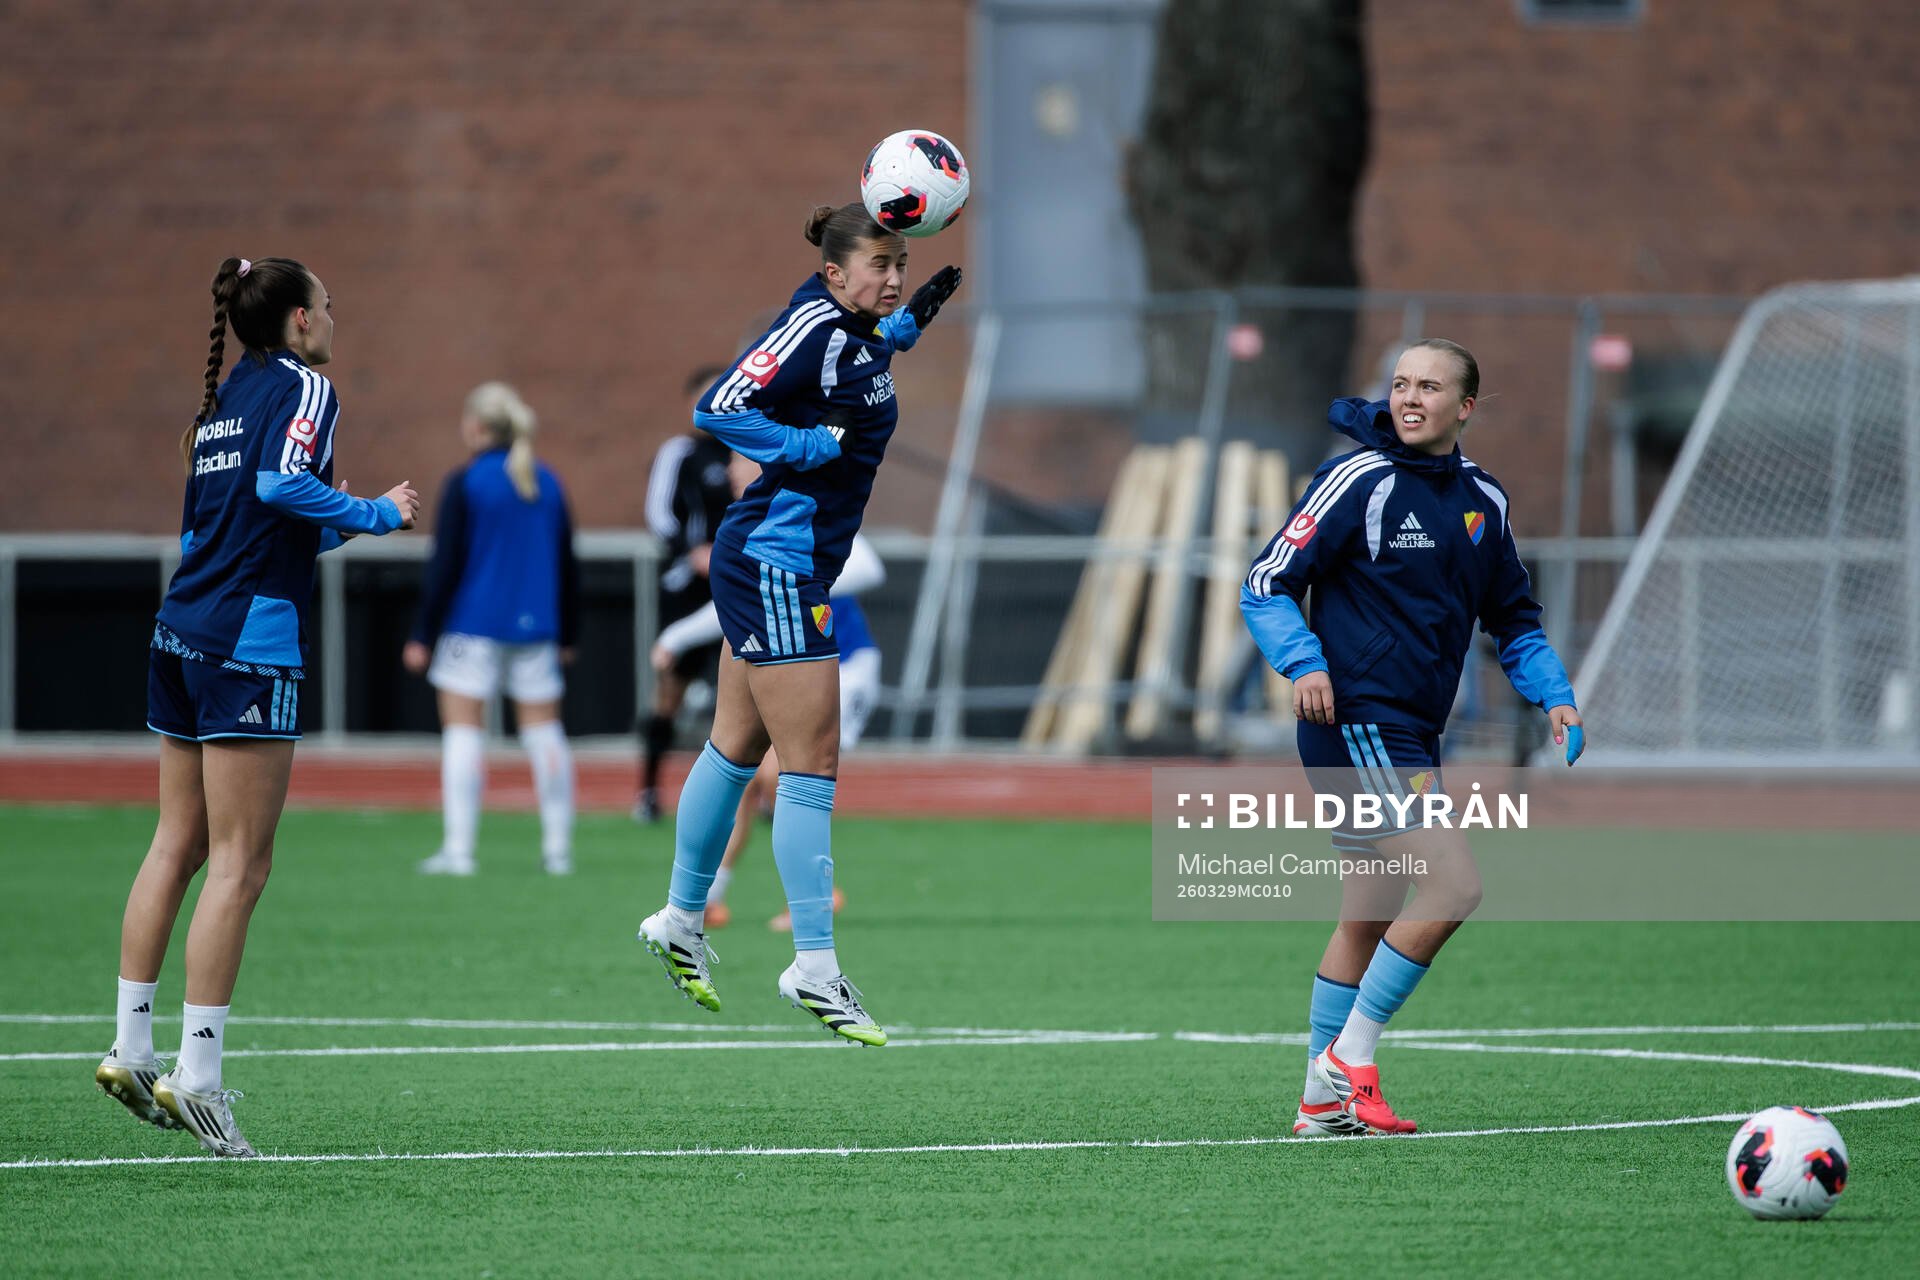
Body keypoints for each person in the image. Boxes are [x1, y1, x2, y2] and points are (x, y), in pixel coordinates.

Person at [96, 257, 419, 1157]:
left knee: (176, 843)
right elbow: (282, 489)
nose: (334, 315)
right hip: (248, 641)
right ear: (301, 321)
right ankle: (196, 1077)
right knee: (240, 865)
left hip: (180, 628)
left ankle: (130, 1045)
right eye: (329, 301)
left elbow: (237, 521)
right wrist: (377, 511)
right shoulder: (305, 386)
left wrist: (348, 520)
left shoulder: (220, 404)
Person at [635, 202, 961, 1046]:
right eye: (879, 266)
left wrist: (906, 326)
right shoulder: (819, 321)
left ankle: (678, 917)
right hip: (779, 559)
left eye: (899, 265)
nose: (892, 278)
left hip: (783, 560)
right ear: (833, 273)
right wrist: (802, 449)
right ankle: (813, 966)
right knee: (811, 761)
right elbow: (720, 406)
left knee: (735, 747)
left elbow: (853, 362)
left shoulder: (856, 329)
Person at [1240, 339, 1585, 1136]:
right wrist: (1303, 663)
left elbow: (1516, 623)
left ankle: (1318, 1106)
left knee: (1368, 913)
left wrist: (1555, 696)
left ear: (1466, 407)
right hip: (1356, 723)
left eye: (1429, 386)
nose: (1409, 397)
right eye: (1400, 384)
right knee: (1453, 886)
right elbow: (1265, 584)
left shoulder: (1484, 501)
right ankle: (1348, 1060)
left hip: (1412, 732)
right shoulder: (1356, 478)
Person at [650, 456, 886, 930]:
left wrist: (801, 575)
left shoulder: (800, 507)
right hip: (786, 667)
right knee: (743, 774)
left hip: (843, 665)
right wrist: (676, 637)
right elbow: (737, 606)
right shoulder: (746, 523)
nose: (731, 470)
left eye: (741, 459)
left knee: (777, 774)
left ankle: (817, 902)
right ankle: (708, 898)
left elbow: (869, 567)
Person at [405, 383, 581, 876]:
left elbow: (445, 565)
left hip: (472, 626)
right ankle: (557, 851)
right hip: (538, 629)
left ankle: (459, 852)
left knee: (463, 732)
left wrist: (423, 633)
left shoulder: (465, 482)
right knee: (545, 732)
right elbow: (569, 564)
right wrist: (568, 634)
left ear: (476, 427)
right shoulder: (548, 480)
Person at [635, 368, 735, 823]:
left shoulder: (749, 446)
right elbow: (659, 512)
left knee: (742, 689)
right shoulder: (681, 452)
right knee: (669, 689)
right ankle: (649, 791)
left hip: (736, 585)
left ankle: (759, 796)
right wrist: (692, 553)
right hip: (689, 587)